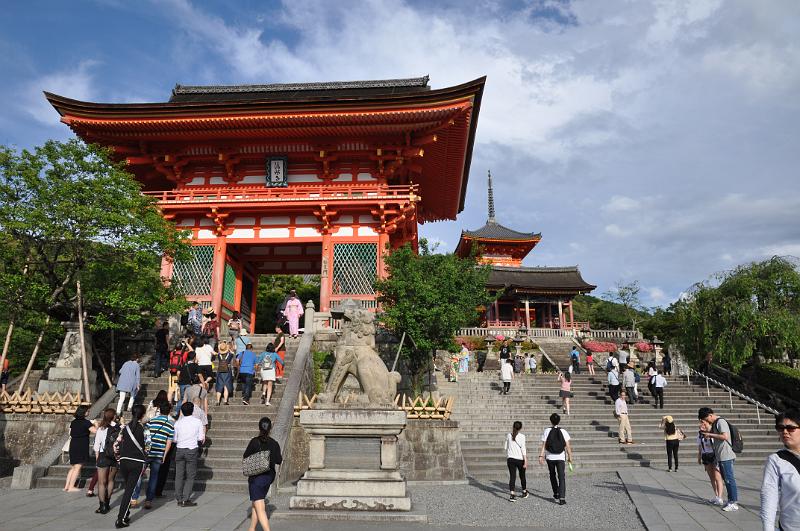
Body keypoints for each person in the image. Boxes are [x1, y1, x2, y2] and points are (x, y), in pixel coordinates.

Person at [761, 408, 800, 531]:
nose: (785, 432)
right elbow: (769, 496)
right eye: (780, 428)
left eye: (790, 428)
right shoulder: (776, 460)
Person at [130, 402, 174, 510]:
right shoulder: (170, 425)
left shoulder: (152, 421)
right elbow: (169, 442)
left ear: (159, 410)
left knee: (139, 475)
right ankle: (148, 500)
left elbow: (145, 435)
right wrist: (164, 455)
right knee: (154, 477)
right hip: (158, 454)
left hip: (146, 452)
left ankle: (134, 498)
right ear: (169, 411)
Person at [244, 417, 283, 531]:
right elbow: (279, 460)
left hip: (256, 478)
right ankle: (251, 529)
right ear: (270, 428)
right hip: (268, 477)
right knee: (256, 503)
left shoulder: (254, 441)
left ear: (259, 427)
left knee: (259, 506)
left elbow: (245, 456)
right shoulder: (274, 443)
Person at [698, 407, 739, 512]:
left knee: (729, 479)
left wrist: (710, 434)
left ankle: (733, 502)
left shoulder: (720, 422)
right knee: (727, 479)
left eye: (707, 419)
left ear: (710, 415)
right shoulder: (716, 422)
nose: (707, 422)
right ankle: (730, 500)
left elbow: (725, 436)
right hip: (721, 455)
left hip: (726, 455)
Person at [115, 403, 147, 528]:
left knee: (128, 488)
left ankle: (125, 513)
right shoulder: (144, 429)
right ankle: (120, 519)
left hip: (123, 461)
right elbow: (148, 447)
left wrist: (119, 457)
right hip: (137, 462)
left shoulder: (125, 428)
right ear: (142, 415)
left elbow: (117, 444)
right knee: (129, 491)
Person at [173, 402, 205, 507]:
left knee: (179, 474)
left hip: (179, 449)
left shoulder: (178, 423)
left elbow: (174, 439)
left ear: (182, 411)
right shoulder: (198, 422)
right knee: (190, 475)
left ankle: (178, 498)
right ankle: (185, 499)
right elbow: (201, 438)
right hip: (191, 449)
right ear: (192, 410)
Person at [539, 413, 573, 505]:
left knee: (552, 475)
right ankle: (562, 498)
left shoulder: (547, 430)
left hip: (550, 456)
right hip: (560, 457)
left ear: (551, 421)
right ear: (559, 421)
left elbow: (544, 445)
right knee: (561, 477)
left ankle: (556, 492)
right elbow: (568, 446)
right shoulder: (564, 431)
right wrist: (570, 457)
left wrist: (541, 456)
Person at [64, 404, 97, 492]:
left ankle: (66, 486)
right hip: (81, 445)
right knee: (78, 466)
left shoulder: (73, 422)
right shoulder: (86, 422)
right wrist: (96, 424)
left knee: (73, 466)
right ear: (84, 412)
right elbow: (96, 431)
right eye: (87, 411)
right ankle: (71, 487)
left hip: (73, 444)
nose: (88, 412)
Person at [93, 408, 118, 514]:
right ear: (113, 416)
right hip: (115, 456)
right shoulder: (118, 427)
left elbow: (96, 446)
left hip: (103, 456)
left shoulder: (101, 428)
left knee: (101, 483)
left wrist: (97, 459)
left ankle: (102, 506)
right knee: (111, 480)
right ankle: (107, 503)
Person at [698, 418, 724, 506]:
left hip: (715, 456)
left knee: (717, 477)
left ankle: (720, 497)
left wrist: (709, 433)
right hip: (706, 456)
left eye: (703, 423)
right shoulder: (700, 435)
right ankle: (716, 496)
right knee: (711, 477)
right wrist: (699, 457)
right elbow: (700, 447)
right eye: (701, 424)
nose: (702, 425)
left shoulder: (713, 433)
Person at [504, 420, 528, 502]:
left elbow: (505, 447)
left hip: (510, 459)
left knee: (512, 476)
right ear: (520, 428)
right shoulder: (522, 436)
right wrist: (526, 460)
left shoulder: (509, 435)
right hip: (520, 459)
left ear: (513, 427)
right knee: (522, 476)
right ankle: (524, 491)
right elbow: (523, 449)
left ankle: (512, 494)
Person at [214, 341, 234, 406]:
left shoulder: (219, 355)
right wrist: (228, 348)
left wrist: (221, 346)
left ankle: (217, 401)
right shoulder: (230, 355)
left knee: (219, 386)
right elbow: (233, 352)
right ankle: (225, 401)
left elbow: (219, 350)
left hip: (220, 371)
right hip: (227, 371)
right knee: (226, 386)